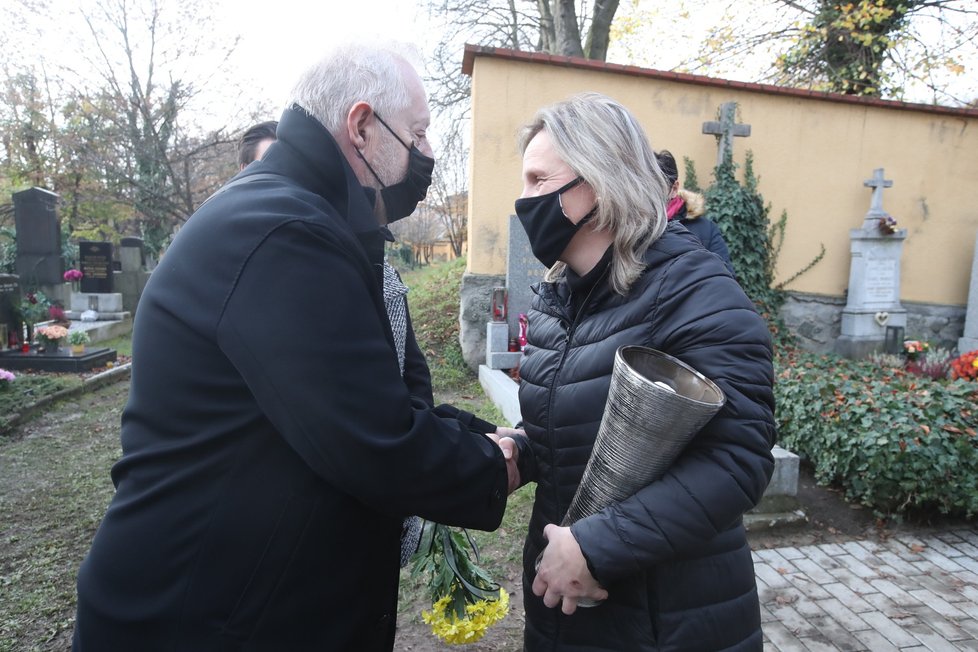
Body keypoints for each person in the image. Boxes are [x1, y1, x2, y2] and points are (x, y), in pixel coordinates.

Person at [72, 41, 520, 651]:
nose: (429, 152)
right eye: (418, 132)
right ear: (362, 126)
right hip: (202, 620)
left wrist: (480, 435)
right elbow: (372, 441)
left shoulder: (309, 220)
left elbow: (374, 400)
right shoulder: (282, 232)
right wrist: (507, 461)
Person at [509, 93, 776, 651]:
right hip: (564, 607)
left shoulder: (697, 291)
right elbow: (574, 430)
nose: (524, 199)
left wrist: (598, 548)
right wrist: (517, 450)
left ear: (601, 182)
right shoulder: (559, 299)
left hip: (666, 619)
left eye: (539, 180)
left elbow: (739, 458)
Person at [655, 149, 734, 273]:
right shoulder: (629, 227)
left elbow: (724, 279)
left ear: (674, 188)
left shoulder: (706, 230)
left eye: (657, 185)